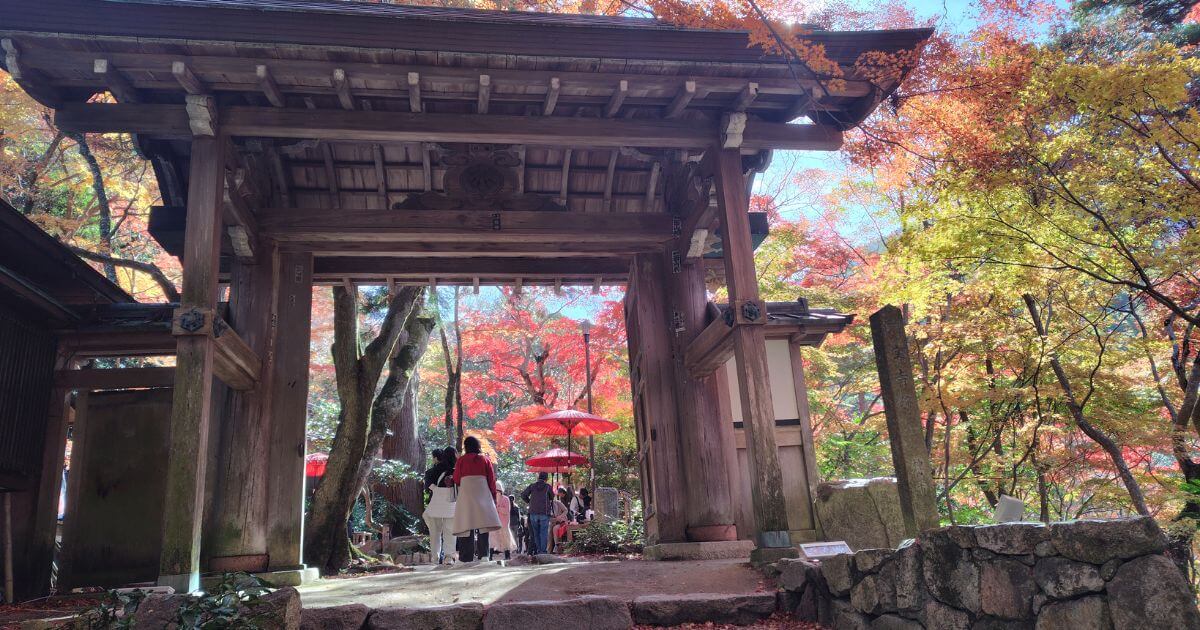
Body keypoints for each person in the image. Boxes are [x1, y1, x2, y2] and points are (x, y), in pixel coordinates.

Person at [451, 436, 501, 563]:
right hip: (483, 494)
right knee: (483, 525)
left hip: (466, 495)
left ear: (466, 446)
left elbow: (456, 479)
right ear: (478, 446)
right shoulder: (485, 460)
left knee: (466, 524)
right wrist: (493, 497)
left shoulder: (461, 461)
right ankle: (484, 555)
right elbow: (491, 480)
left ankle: (465, 557)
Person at [422, 447, 457, 564]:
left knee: (435, 533)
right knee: (450, 532)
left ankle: (435, 558)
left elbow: (428, 486)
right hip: (451, 506)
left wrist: (436, 489)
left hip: (435, 506)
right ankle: (448, 557)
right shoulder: (456, 470)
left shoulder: (432, 471)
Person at [521, 472, 553, 555]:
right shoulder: (548, 487)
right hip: (544, 513)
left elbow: (523, 495)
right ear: (546, 479)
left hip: (533, 513)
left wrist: (529, 502)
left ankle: (539, 551)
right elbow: (552, 497)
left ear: (538, 477)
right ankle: (543, 551)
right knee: (543, 532)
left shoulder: (532, 486)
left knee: (536, 533)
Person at [490, 481, 518, 560]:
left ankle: (507, 555)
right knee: (492, 539)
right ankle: (490, 555)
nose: (496, 492)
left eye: (497, 490)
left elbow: (506, 511)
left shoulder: (506, 499)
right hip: (494, 523)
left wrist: (497, 508)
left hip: (504, 523)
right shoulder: (492, 499)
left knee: (505, 539)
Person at [549, 487, 571, 552]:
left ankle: (557, 546)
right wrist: (553, 519)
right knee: (549, 530)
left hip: (561, 522)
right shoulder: (544, 505)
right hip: (551, 522)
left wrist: (560, 516)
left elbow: (566, 510)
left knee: (555, 528)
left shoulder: (557, 502)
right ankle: (549, 549)